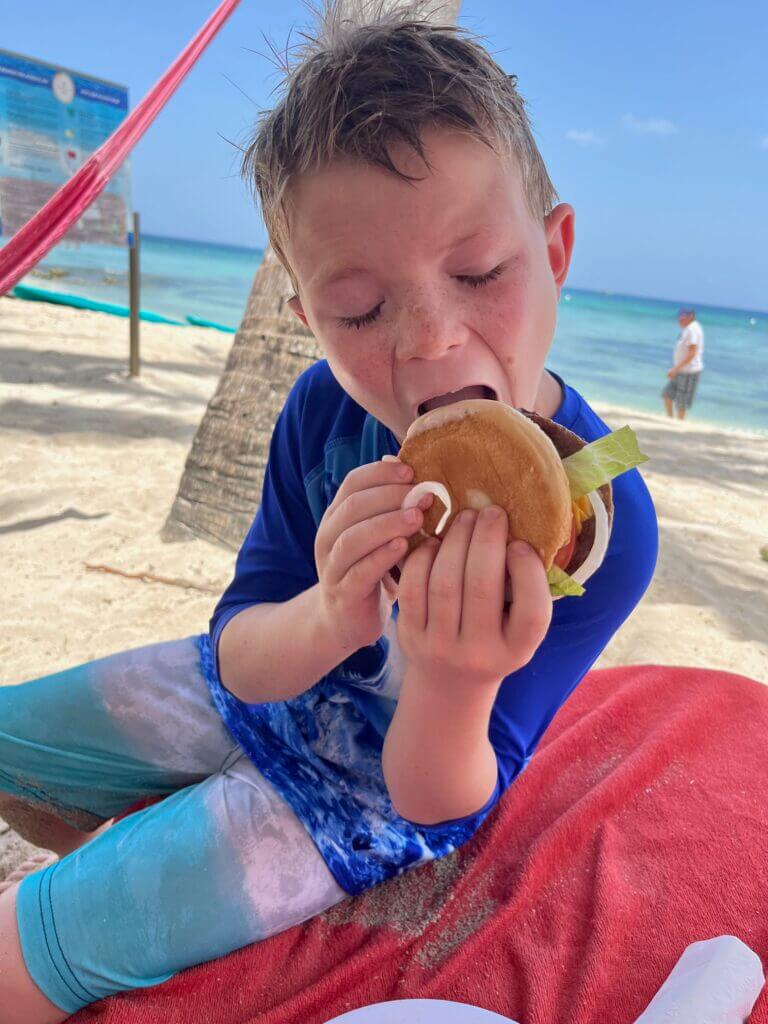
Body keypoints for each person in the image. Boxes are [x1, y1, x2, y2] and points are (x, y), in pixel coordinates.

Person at [0, 5, 658, 1020]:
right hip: (261, 685)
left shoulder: (603, 528)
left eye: (480, 274)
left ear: (556, 250)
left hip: (363, 799)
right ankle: (125, 815)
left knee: (20, 952)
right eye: (359, 309)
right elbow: (235, 652)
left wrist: (450, 679)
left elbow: (440, 797)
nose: (433, 341)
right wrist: (332, 615)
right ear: (308, 318)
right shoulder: (322, 412)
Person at [662, 309, 704, 420]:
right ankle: (670, 420)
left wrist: (675, 369)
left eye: (683, 316)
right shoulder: (688, 329)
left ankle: (679, 423)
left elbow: (692, 353)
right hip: (681, 370)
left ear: (691, 317)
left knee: (682, 402)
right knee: (667, 394)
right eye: (679, 316)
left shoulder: (693, 329)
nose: (680, 319)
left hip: (689, 371)